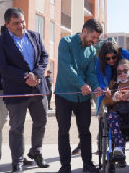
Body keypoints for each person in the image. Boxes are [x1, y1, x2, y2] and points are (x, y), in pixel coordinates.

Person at [0, 8, 50, 173]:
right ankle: (17, 161)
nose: (20, 25)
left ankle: (36, 151)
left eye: (22, 21)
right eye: (16, 23)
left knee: (41, 122)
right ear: (7, 24)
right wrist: (27, 77)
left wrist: (36, 75)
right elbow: (3, 67)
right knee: (17, 127)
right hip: (16, 90)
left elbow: (44, 57)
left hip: (38, 88)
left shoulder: (35, 36)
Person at [54, 18, 103, 173]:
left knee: (85, 131)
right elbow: (67, 68)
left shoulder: (91, 50)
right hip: (64, 95)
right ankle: (65, 167)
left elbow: (91, 73)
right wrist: (81, 84)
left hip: (83, 98)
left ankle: (88, 165)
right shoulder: (65, 43)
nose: (94, 41)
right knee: (63, 131)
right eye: (93, 37)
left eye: (97, 38)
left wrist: (96, 86)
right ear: (84, 31)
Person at [0, 25, 33, 172]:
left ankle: (19, 156)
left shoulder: (21, 49)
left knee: (18, 126)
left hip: (17, 91)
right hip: (0, 91)